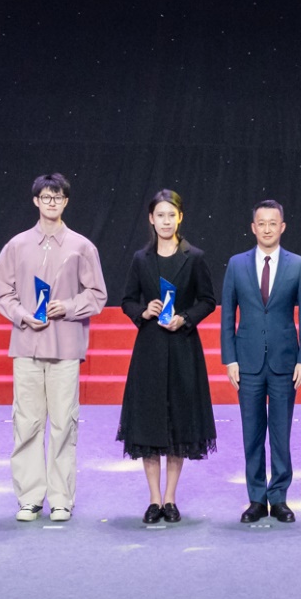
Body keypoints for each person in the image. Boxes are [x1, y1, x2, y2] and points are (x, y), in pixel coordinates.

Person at [0, 172, 108, 523]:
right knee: (26, 424)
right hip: (26, 346)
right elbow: (2, 292)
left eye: (57, 197)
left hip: (65, 347)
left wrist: (67, 307)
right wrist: (22, 315)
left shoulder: (81, 246)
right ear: (36, 201)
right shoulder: (16, 245)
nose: (51, 202)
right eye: (46, 197)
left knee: (63, 424)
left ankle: (60, 499)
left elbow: (97, 295)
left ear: (66, 202)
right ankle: (29, 498)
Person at [116, 189, 219, 525]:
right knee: (149, 424)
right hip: (150, 349)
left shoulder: (195, 257)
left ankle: (171, 499)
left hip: (183, 347)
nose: (165, 221)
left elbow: (208, 300)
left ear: (180, 217)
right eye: (160, 215)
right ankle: (153, 500)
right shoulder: (140, 258)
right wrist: (144, 311)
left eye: (171, 215)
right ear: (151, 218)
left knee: (179, 423)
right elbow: (127, 300)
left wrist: (185, 318)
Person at [218, 198, 301, 524]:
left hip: (286, 361)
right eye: (262, 223)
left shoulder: (298, 265)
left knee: (281, 434)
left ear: (282, 227)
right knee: (252, 433)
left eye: (273, 223)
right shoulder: (237, 264)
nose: (268, 229)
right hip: (247, 362)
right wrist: (230, 359)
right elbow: (228, 315)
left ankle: (280, 497)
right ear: (253, 227)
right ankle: (257, 498)